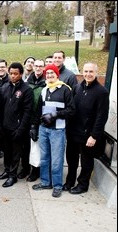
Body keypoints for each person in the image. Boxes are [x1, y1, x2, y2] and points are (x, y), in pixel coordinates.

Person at [65, 62, 109, 194]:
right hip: (73, 132)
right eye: (86, 71)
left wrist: (94, 136)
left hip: (88, 135)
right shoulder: (77, 87)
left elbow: (101, 117)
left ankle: (82, 185)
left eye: (91, 72)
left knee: (86, 162)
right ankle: (69, 182)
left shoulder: (101, 92)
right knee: (71, 160)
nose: (88, 74)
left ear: (96, 73)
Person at [31, 64, 75, 198]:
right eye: (47, 73)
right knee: (44, 158)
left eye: (52, 73)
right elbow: (38, 109)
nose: (49, 75)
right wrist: (34, 125)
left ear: (57, 75)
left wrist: (56, 115)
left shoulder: (65, 90)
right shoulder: (44, 89)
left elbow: (71, 110)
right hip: (44, 128)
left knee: (56, 160)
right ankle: (45, 182)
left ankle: (57, 185)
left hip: (57, 130)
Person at [0, 62, 33, 188]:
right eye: (11, 74)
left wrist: (21, 129)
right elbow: (0, 108)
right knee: (7, 151)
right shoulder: (5, 87)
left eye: (16, 74)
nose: (13, 76)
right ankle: (7, 170)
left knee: (16, 153)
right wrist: (0, 125)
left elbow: (28, 112)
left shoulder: (26, 90)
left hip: (17, 128)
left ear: (21, 74)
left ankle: (13, 176)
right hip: (5, 126)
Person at [25, 59, 46, 182]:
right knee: (26, 146)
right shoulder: (28, 82)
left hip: (39, 119)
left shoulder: (46, 83)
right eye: (36, 66)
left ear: (44, 67)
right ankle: (25, 168)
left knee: (36, 147)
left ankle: (35, 171)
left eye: (40, 66)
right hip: (26, 118)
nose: (38, 68)